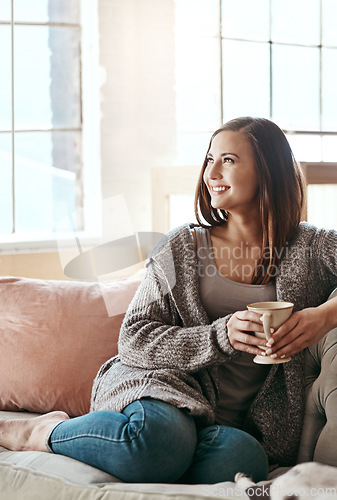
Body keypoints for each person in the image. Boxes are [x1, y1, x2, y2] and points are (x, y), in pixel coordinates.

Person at [1, 117, 337, 484]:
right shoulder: (182, 247)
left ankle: (156, 452)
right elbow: (134, 338)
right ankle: (40, 433)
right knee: (160, 439)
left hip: (221, 424)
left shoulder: (312, 247)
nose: (212, 173)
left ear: (268, 169)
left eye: (228, 160)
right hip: (162, 385)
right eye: (209, 160)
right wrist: (220, 335)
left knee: (243, 461)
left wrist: (323, 316)